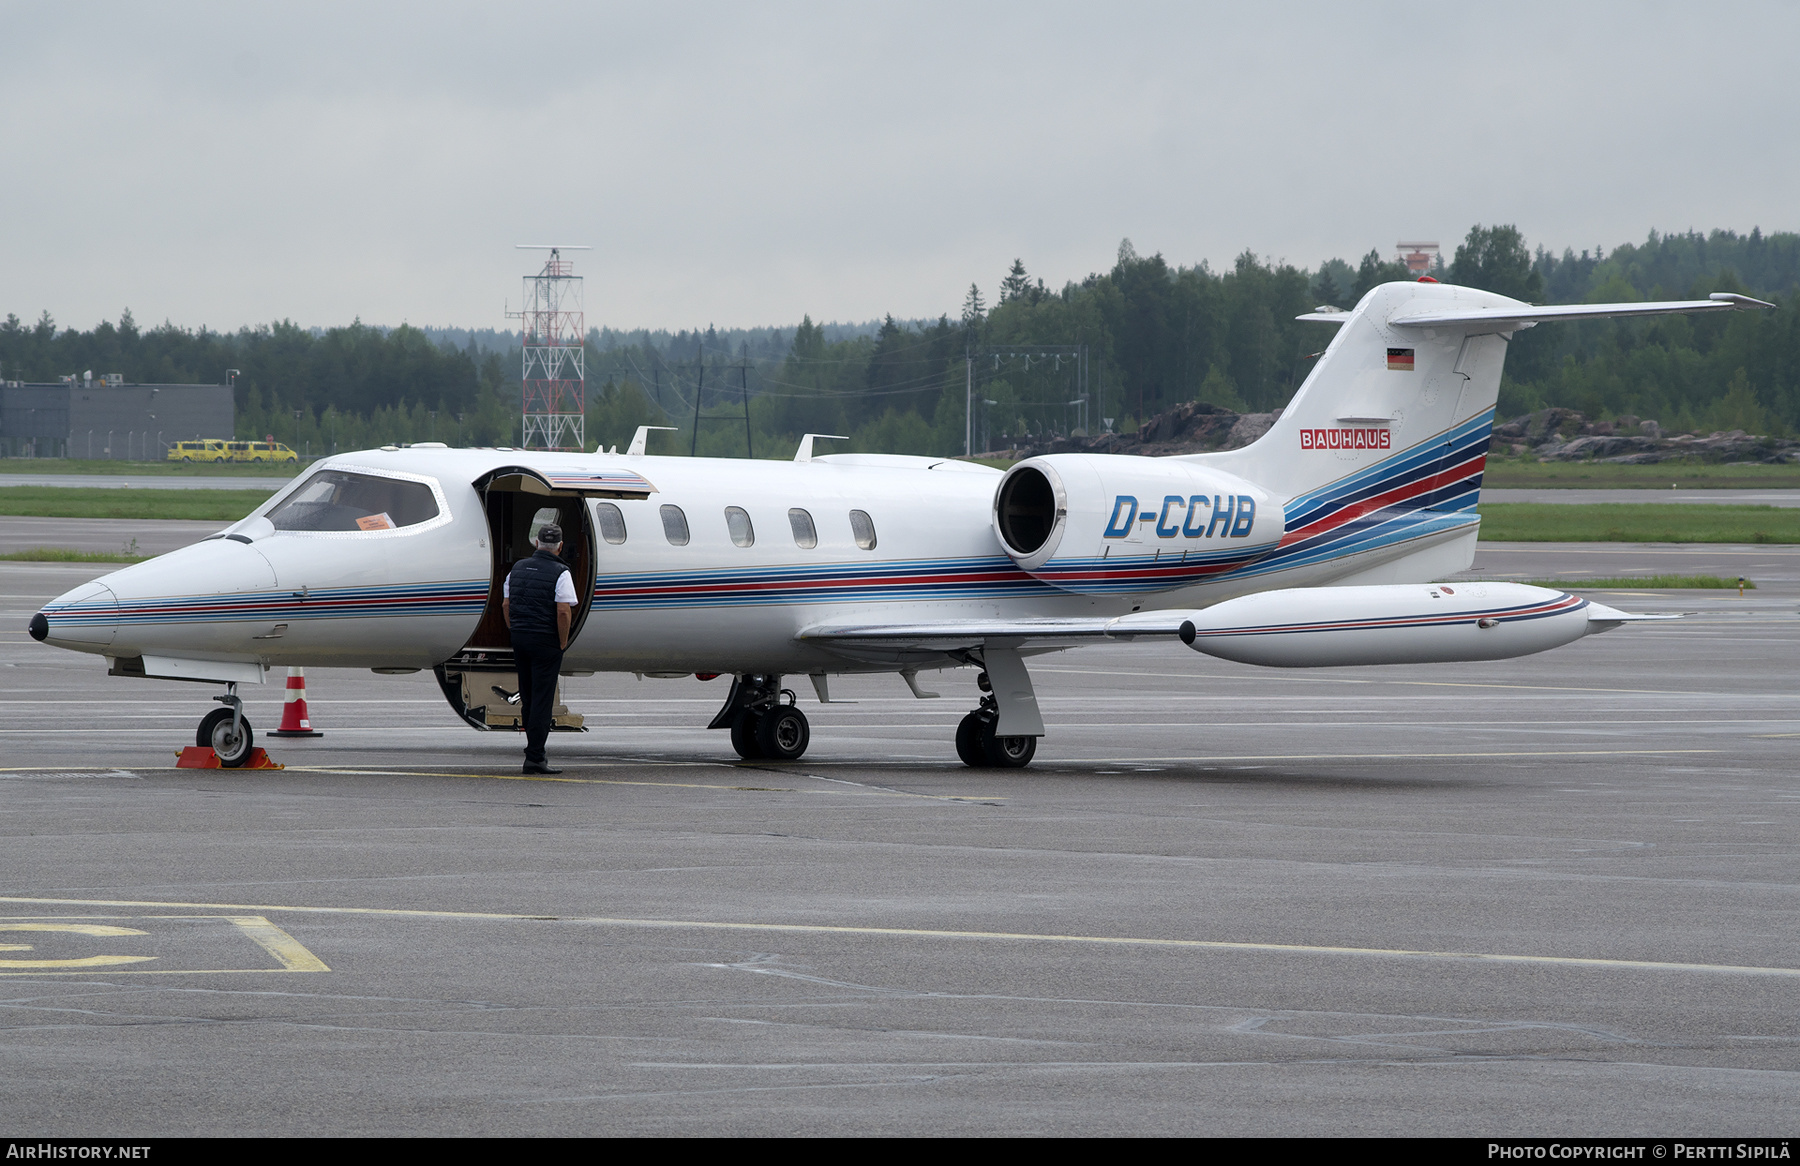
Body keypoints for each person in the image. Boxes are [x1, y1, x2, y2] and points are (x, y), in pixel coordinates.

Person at [502, 522, 577, 774]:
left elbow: (505, 605)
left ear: (536, 543)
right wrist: (562, 641)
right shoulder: (561, 572)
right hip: (546, 641)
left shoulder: (517, 569)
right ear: (560, 546)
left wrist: (516, 630)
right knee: (543, 701)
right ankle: (535, 757)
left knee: (528, 697)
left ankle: (532, 750)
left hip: (521, 638)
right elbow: (563, 611)